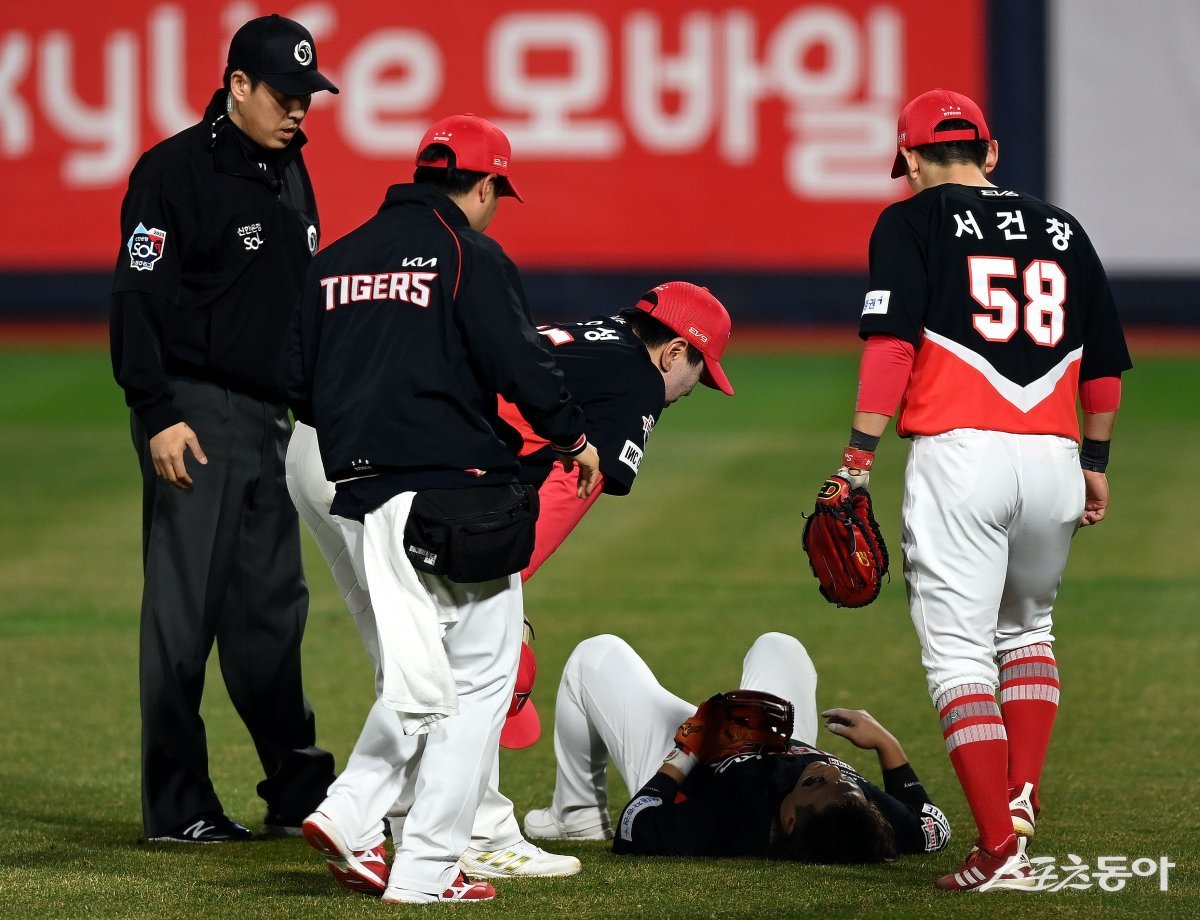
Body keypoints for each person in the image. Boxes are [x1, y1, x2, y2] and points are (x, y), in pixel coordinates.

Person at [283, 282, 735, 893]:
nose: (693, 388)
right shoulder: (637, 381)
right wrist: (500, 591)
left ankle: (383, 827)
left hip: (326, 442)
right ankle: (446, 832)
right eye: (700, 373)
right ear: (674, 351)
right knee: (472, 666)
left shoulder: (590, 335)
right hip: (395, 469)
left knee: (410, 656)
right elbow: (565, 495)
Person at [278, 113, 602, 905]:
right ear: (485, 185)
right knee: (480, 680)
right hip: (454, 495)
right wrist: (572, 436)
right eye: (496, 194)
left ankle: (354, 810)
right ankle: (419, 865)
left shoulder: (337, 259)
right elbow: (521, 362)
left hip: (364, 497)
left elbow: (293, 382)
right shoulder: (467, 253)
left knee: (423, 670)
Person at [825, 88, 1132, 890]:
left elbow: (892, 346)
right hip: (1055, 456)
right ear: (990, 153)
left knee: (960, 658)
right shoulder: (1064, 228)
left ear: (911, 159)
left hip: (961, 458)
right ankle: (1019, 796)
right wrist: (1095, 461)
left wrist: (858, 457)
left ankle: (999, 852)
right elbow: (1103, 366)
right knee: (1028, 633)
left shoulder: (910, 221)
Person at [109, 14, 340, 843]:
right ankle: (177, 807)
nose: (298, 109)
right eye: (283, 94)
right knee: (183, 619)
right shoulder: (174, 172)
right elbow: (137, 297)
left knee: (272, 614)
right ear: (237, 85)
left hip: (270, 421)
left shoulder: (290, 168)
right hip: (195, 413)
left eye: (307, 95)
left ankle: (299, 793)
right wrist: (156, 412)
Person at [523, 633, 951, 864]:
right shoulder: (863, 822)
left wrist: (684, 752)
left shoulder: (729, 817)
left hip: (692, 758)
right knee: (780, 645)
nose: (832, 770)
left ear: (788, 820)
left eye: (818, 783)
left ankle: (578, 816)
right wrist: (887, 745)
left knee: (596, 656)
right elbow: (935, 827)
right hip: (770, 735)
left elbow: (635, 827)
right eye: (846, 780)